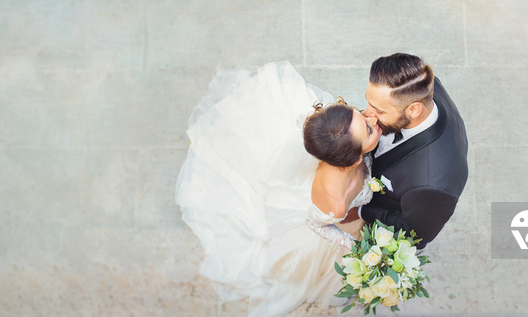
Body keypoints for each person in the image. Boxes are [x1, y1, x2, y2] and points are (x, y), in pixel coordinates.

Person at [175, 62, 380, 316]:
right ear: (355, 160)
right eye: (368, 128)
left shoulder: (342, 140)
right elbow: (316, 224)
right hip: (337, 225)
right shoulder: (335, 201)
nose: (373, 118)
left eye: (362, 116)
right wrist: (354, 246)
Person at [347, 53, 469, 250]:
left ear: (413, 110)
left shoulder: (432, 185)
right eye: (369, 102)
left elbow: (416, 233)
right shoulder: (420, 83)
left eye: (379, 111)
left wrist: (361, 212)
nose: (366, 114)